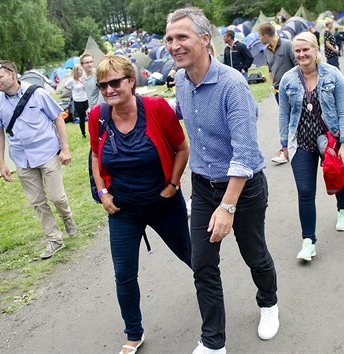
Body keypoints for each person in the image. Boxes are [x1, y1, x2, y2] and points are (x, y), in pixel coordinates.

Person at [165, 7, 279, 353]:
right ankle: (214, 341)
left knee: (253, 253)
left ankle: (269, 303)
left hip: (242, 190)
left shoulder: (233, 85)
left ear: (204, 39)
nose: (174, 45)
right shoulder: (182, 81)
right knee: (202, 264)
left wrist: (227, 206)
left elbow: (244, 154)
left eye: (181, 37)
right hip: (202, 187)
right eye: (169, 39)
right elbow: (180, 119)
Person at [89, 55, 192, 354]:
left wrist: (172, 186)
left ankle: (213, 300)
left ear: (132, 81)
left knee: (193, 257)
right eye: (102, 85)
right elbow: (96, 155)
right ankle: (134, 334)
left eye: (115, 82)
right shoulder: (98, 115)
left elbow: (182, 148)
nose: (109, 90)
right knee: (123, 274)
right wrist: (102, 192)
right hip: (123, 210)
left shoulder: (158, 108)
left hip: (163, 203)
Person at [0, 60, 77, 259]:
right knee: (37, 202)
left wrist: (65, 148)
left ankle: (67, 217)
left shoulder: (38, 93)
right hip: (21, 158)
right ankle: (55, 239)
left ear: (13, 75)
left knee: (57, 197)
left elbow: (58, 118)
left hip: (46, 152)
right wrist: (2, 163)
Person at [278, 31, 344, 262]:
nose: (301, 54)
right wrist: (284, 143)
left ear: (315, 50)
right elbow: (284, 113)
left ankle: (343, 210)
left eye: (305, 50)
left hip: (330, 138)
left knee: (337, 177)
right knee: (305, 191)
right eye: (297, 51)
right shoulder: (288, 80)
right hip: (301, 140)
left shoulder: (333, 75)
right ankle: (308, 241)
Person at [258, 22, 297, 165]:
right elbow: (270, 69)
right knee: (285, 117)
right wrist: (272, 85)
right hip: (277, 91)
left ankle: (286, 148)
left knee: (293, 116)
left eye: (260, 36)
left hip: (292, 90)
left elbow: (297, 66)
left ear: (266, 35)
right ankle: (289, 146)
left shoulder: (287, 45)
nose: (259, 39)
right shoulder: (266, 50)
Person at [64, 64, 89, 138]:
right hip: (78, 101)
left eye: (82, 70)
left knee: (90, 116)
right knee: (82, 118)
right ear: (76, 71)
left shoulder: (83, 77)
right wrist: (72, 88)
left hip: (86, 99)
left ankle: (93, 132)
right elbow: (66, 86)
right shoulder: (72, 80)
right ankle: (83, 134)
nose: (82, 71)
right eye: (80, 70)